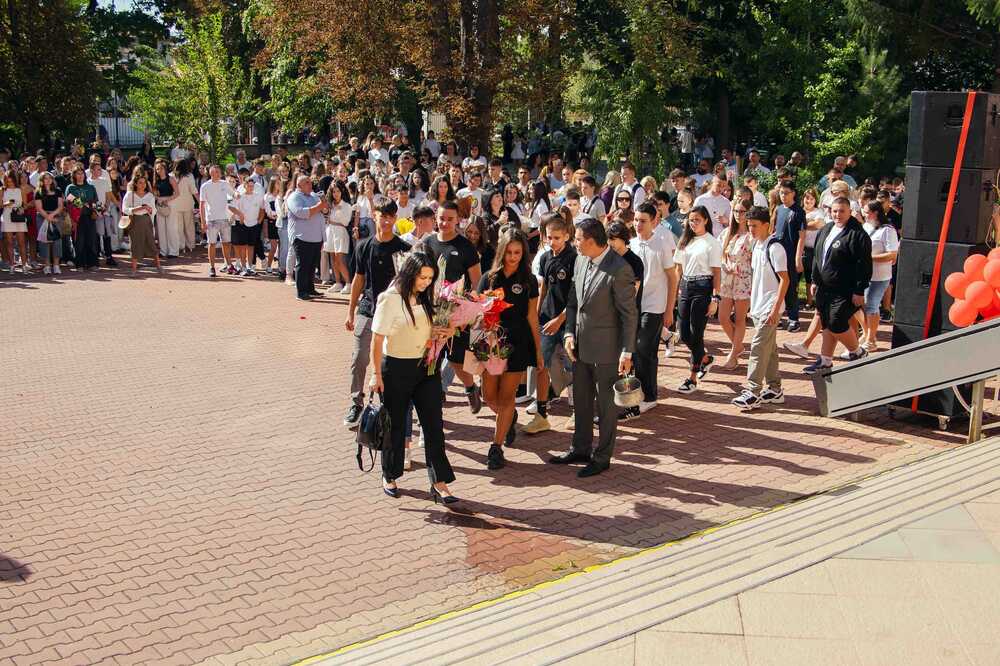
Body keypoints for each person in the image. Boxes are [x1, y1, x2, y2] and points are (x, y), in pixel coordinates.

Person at [550, 217, 637, 478]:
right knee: (583, 400)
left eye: (577, 239)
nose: (574, 243)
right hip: (579, 346)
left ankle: (602, 456)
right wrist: (568, 333)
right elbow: (574, 301)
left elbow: (629, 314)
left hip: (608, 350)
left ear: (590, 241)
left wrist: (627, 350)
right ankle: (580, 448)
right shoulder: (580, 260)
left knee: (607, 406)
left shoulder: (619, 269)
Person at [370, 252, 458, 504]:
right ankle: (389, 474)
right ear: (410, 273)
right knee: (395, 425)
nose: (427, 283)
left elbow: (439, 327)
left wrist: (448, 330)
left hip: (426, 367)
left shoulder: (430, 296)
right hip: (395, 367)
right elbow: (377, 340)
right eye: (423, 277)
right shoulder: (391, 299)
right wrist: (375, 374)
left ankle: (439, 482)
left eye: (430, 278)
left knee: (433, 425)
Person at [477, 228, 544, 470]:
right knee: (489, 396)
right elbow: (478, 312)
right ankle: (509, 417)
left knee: (507, 397)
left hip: (518, 344)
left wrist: (538, 351)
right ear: (502, 251)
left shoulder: (528, 281)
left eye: (518, 252)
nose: (513, 257)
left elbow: (532, 317)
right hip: (492, 344)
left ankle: (496, 447)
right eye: (509, 252)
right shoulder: (489, 278)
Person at [343, 197, 410, 427]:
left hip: (394, 314)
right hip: (368, 309)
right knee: (359, 358)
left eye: (391, 217)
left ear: (395, 218)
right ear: (375, 216)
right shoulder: (364, 246)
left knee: (391, 361)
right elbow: (358, 280)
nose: (386, 221)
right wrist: (350, 311)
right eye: (383, 216)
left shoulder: (404, 249)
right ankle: (356, 401)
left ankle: (392, 403)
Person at [422, 202, 483, 412]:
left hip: (457, 315)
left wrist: (470, 313)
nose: (445, 223)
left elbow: (477, 283)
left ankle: (469, 387)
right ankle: (434, 403)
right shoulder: (427, 243)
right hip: (432, 313)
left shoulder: (466, 247)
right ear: (435, 219)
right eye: (441, 218)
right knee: (432, 361)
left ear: (457, 220)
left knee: (457, 360)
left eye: (450, 219)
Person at [804, 197, 873, 373]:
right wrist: (814, 279)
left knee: (836, 321)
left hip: (845, 289)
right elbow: (818, 257)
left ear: (850, 211)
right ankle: (825, 360)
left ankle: (857, 352)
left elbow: (864, 265)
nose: (838, 214)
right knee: (826, 321)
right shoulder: (826, 229)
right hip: (824, 287)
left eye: (842, 211)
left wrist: (859, 290)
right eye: (835, 211)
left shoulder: (858, 235)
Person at [732, 206, 790, 410]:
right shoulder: (757, 246)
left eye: (755, 226)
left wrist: (775, 309)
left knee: (758, 347)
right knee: (770, 349)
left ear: (767, 225)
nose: (752, 230)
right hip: (758, 306)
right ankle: (775, 389)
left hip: (770, 307)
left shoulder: (775, 248)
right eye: (749, 226)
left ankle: (753, 390)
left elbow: (785, 279)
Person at [628, 202, 677, 415]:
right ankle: (641, 393)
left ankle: (648, 396)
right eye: (636, 220)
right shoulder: (630, 244)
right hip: (634, 307)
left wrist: (669, 310)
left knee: (643, 349)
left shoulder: (662, 244)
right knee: (638, 350)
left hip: (655, 305)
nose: (638, 224)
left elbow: (672, 278)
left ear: (654, 221)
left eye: (643, 221)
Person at [673, 205, 723, 393]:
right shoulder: (685, 241)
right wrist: (675, 293)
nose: (693, 223)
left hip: (703, 287)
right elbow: (678, 270)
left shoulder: (712, 243)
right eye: (691, 220)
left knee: (696, 333)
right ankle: (704, 359)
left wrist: (715, 298)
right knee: (683, 333)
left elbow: (717, 273)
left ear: (706, 221)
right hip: (685, 287)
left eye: (697, 220)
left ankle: (692, 378)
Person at [718, 203, 754, 368]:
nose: (739, 214)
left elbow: (754, 259)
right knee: (723, 317)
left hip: (743, 279)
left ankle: (733, 353)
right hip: (727, 280)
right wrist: (725, 264)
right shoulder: (727, 233)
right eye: (736, 211)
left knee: (740, 318)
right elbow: (721, 254)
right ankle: (738, 346)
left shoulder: (751, 235)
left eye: (742, 211)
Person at [860, 201, 899, 353]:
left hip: (880, 276)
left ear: (875, 212)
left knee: (871, 305)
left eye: (866, 211)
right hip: (864, 274)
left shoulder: (888, 230)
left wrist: (870, 258)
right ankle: (867, 333)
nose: (863, 214)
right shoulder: (866, 226)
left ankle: (871, 340)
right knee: (862, 305)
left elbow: (892, 255)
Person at [285, 174, 330, 300]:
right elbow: (301, 213)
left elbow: (325, 211)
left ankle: (310, 289)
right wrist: (320, 206)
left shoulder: (314, 196)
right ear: (299, 185)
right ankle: (301, 292)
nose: (310, 185)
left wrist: (324, 206)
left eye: (310, 182)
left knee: (312, 265)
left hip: (316, 237)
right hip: (301, 237)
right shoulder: (294, 197)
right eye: (307, 183)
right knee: (303, 265)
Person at [773, 181, 807, 332]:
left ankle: (794, 318)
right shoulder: (779, 209)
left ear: (793, 193)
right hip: (778, 253)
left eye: (786, 193)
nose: (783, 196)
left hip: (791, 254)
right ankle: (779, 315)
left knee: (791, 287)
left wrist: (798, 258)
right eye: (781, 193)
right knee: (777, 285)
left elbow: (802, 236)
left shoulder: (798, 211)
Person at [121, 171, 163, 276]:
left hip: (146, 221)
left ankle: (158, 266)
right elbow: (124, 209)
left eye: (144, 182)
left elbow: (154, 210)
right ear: (135, 183)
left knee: (151, 243)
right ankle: (134, 270)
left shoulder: (149, 195)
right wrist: (138, 208)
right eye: (140, 182)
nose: (142, 185)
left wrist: (149, 210)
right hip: (135, 221)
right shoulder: (130, 195)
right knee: (135, 244)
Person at [199, 165, 237, 277]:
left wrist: (238, 194)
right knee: (212, 244)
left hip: (224, 218)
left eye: (219, 172)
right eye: (216, 172)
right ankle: (212, 267)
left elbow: (233, 193)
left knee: (226, 243)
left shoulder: (224, 183)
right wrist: (203, 221)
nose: (218, 174)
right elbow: (202, 204)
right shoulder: (205, 186)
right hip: (211, 219)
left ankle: (229, 265)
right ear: (211, 173)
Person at [65, 166, 100, 271]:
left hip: (89, 217)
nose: (80, 176)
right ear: (74, 175)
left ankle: (92, 263)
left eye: (82, 173)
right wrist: (81, 204)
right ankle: (79, 264)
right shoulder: (70, 187)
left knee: (91, 240)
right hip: (77, 218)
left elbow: (95, 202)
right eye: (77, 174)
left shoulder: (91, 187)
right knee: (79, 241)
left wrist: (95, 211)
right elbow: (69, 201)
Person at [231, 171, 264, 276]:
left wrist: (259, 220)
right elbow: (232, 207)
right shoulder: (240, 196)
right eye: (249, 186)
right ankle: (243, 267)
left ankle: (250, 266)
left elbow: (262, 209)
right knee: (242, 246)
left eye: (252, 186)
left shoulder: (258, 196)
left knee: (251, 246)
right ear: (244, 186)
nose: (251, 187)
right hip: (242, 224)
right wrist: (240, 215)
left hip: (254, 224)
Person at [322, 182, 353, 291]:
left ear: (342, 191)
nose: (336, 194)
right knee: (333, 260)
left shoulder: (346, 206)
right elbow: (326, 217)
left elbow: (345, 222)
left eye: (338, 191)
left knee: (340, 260)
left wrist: (336, 216)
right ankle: (338, 282)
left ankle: (348, 283)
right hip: (330, 231)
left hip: (340, 232)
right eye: (333, 191)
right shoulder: (330, 205)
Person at [33, 173, 64, 275]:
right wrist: (48, 217)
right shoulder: (38, 192)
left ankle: (56, 265)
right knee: (44, 241)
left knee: (57, 241)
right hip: (42, 217)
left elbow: (60, 206)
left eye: (49, 178)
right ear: (42, 180)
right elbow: (39, 208)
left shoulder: (58, 190)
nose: (48, 180)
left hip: (56, 217)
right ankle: (46, 266)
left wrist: (52, 215)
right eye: (45, 178)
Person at [2, 172, 29, 273]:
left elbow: (25, 204)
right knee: (9, 242)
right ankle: (12, 265)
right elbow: (0, 205)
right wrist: (7, 203)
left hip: (18, 215)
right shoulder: (2, 190)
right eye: (7, 181)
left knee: (21, 242)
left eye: (11, 181)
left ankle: (24, 265)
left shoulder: (20, 190)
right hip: (7, 215)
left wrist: (22, 208)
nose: (10, 183)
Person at [172, 160, 198, 256]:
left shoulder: (171, 175)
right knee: (189, 226)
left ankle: (181, 246)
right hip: (188, 204)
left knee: (178, 227)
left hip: (175, 204)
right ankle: (191, 245)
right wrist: (200, 201)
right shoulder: (189, 176)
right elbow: (194, 190)